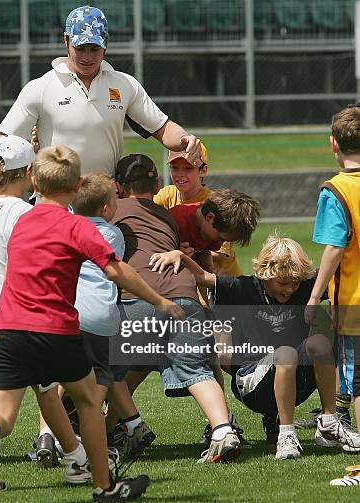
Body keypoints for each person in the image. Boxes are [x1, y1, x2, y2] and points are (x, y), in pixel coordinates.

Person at [0, 145, 184, 500]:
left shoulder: (23, 221)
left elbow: (11, 275)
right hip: (56, 329)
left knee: (1, 412)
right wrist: (160, 300)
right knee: (87, 403)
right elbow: (116, 270)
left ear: (34, 181)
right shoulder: (75, 226)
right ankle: (105, 486)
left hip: (11, 328)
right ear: (78, 183)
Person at [0, 135, 95, 493]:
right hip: (19, 316)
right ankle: (77, 460)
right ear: (29, 173)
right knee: (47, 389)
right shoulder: (27, 213)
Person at [0, 5, 205, 188]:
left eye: (95, 48)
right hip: (53, 204)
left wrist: (186, 141)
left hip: (104, 204)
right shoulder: (40, 87)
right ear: (66, 41)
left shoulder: (125, 85)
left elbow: (163, 128)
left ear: (106, 43)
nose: (88, 56)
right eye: (80, 47)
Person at [151, 236, 360, 459]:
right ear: (265, 276)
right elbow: (203, 277)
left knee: (319, 343)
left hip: (294, 380)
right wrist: (180, 256)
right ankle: (286, 436)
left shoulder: (307, 286)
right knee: (285, 353)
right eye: (282, 283)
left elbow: (341, 269)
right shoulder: (246, 287)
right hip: (251, 383)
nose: (289, 289)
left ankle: (328, 423)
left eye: (295, 283)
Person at [111, 153, 241, 463]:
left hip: (139, 298)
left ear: (117, 187)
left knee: (108, 369)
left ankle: (112, 431)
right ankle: (224, 431)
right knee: (195, 369)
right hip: (184, 296)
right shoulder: (167, 214)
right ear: (157, 184)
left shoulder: (112, 211)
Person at [71, 173, 156, 464]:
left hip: (72, 313)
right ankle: (132, 424)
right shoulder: (114, 234)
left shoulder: (67, 229)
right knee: (106, 375)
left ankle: (71, 442)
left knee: (80, 383)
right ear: (107, 209)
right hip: (105, 315)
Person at [306, 104, 360, 440]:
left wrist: (314, 296)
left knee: (358, 382)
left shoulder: (337, 190)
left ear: (334, 143)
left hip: (354, 302)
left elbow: (335, 248)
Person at [154, 145, 242, 276]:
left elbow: (222, 255)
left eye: (188, 168)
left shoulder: (214, 204)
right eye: (174, 168)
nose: (180, 174)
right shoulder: (166, 195)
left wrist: (194, 252)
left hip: (225, 280)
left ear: (203, 171)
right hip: (193, 277)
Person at [167, 188, 259, 274]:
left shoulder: (211, 231)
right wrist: (173, 250)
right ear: (210, 217)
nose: (220, 244)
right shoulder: (175, 222)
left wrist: (203, 259)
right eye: (220, 238)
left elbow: (202, 254)